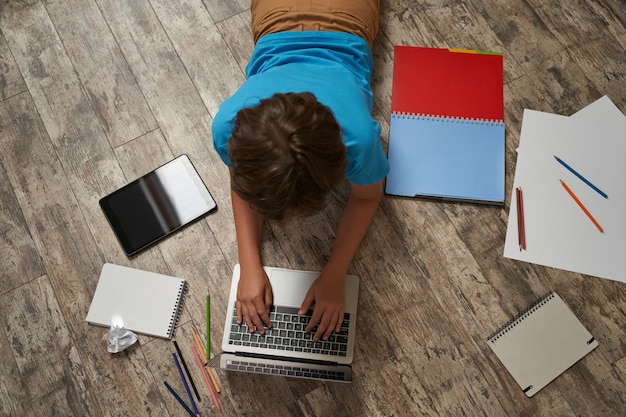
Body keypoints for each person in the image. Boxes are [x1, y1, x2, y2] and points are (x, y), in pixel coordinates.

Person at [211, 0, 388, 342]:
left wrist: (336, 275)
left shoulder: (358, 139)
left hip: (342, 18)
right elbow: (243, 179)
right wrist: (248, 263)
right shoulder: (229, 128)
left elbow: (368, 198)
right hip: (284, 17)